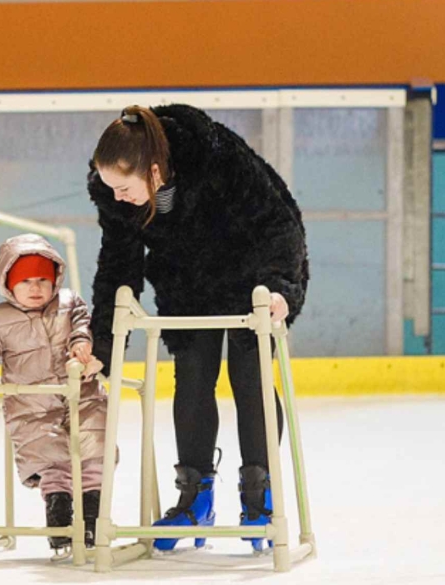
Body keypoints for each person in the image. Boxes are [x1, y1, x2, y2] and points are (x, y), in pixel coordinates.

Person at [87, 104, 308, 552]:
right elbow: (118, 265)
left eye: (125, 187)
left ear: (153, 170)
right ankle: (194, 498)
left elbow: (279, 222)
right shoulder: (115, 195)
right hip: (187, 279)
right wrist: (104, 344)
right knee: (190, 377)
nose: (117, 197)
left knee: (250, 377)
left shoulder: (216, 157)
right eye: (109, 186)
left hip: (253, 274)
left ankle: (259, 496)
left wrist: (281, 287)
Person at [0, 233, 106, 556]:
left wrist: (82, 342)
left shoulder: (69, 303)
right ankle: (60, 519)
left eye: (42, 279)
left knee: (94, 450)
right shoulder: (0, 318)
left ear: (55, 280)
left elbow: (83, 324)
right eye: (25, 281)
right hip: (32, 406)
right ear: (9, 285)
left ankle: (92, 517)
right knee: (51, 459)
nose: (35, 288)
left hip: (82, 396)